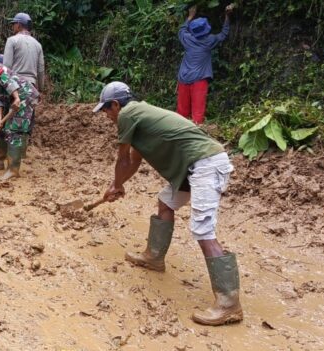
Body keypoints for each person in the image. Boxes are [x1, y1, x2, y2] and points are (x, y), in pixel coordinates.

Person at [94, 81, 242, 326]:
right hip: (192, 166)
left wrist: (116, 184)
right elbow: (133, 161)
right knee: (165, 202)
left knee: (203, 229)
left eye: (106, 110)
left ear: (116, 105)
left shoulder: (128, 115)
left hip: (205, 163)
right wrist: (117, 184)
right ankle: (154, 257)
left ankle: (229, 304)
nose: (106, 115)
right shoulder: (140, 115)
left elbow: (122, 160)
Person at [176, 4, 234, 124]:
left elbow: (182, 30)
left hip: (183, 78)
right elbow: (223, 34)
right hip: (199, 79)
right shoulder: (209, 40)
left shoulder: (187, 38)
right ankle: (196, 135)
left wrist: (190, 16)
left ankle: (179, 135)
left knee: (182, 113)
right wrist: (227, 16)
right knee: (197, 114)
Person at [3, 12, 45, 92]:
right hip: (31, 88)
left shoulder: (12, 40)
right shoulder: (38, 45)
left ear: (18, 25)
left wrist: (6, 88)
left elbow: (6, 66)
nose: (12, 26)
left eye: (14, 24)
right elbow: (41, 70)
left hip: (16, 86)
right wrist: (40, 90)